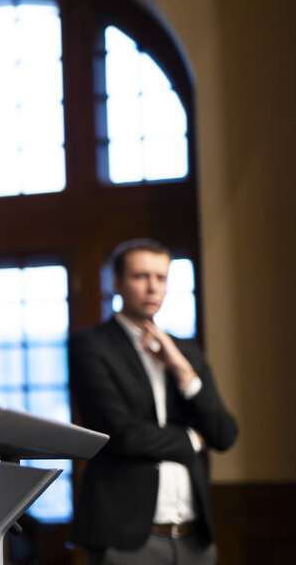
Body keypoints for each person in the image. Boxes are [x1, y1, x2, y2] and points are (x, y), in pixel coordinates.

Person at [68, 239, 238, 565]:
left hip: (194, 538)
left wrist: (184, 373)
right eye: (140, 276)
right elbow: (119, 435)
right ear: (117, 283)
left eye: (161, 278)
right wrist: (191, 439)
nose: (152, 287)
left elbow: (225, 434)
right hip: (125, 537)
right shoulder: (90, 346)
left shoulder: (185, 351)